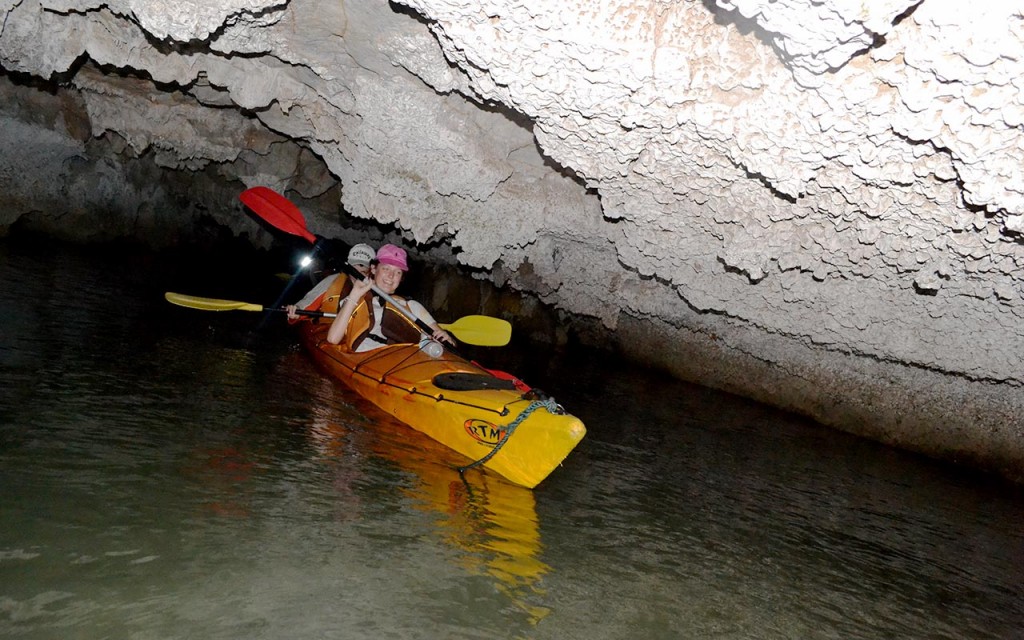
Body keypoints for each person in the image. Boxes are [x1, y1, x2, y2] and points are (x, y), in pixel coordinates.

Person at [326, 243, 455, 351]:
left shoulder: (412, 306)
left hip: (402, 364)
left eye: (397, 272)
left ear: (401, 278)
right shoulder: (356, 299)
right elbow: (333, 339)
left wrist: (446, 339)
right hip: (365, 362)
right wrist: (354, 295)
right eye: (386, 269)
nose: (391, 276)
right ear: (374, 269)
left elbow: (449, 346)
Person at [286, 243, 375, 320]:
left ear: (372, 269)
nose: (357, 272)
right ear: (348, 265)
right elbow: (309, 301)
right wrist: (297, 309)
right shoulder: (333, 280)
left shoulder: (378, 287)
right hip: (331, 329)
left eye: (362, 266)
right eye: (354, 266)